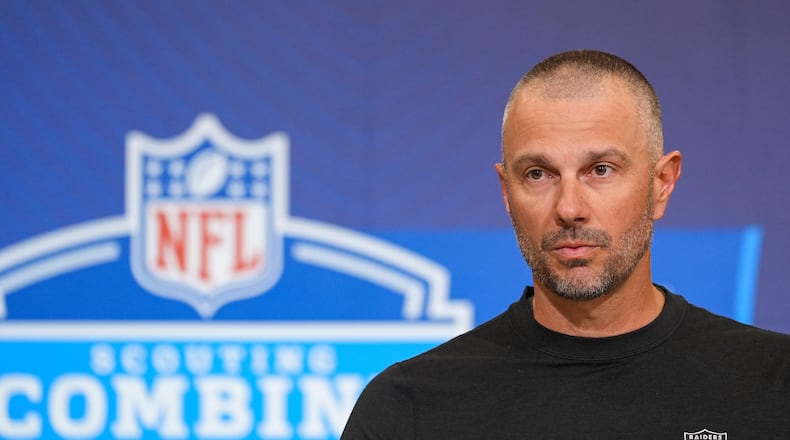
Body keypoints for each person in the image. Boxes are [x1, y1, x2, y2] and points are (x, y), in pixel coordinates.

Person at [340, 50, 790, 439]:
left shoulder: (774, 383)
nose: (569, 208)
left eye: (601, 169)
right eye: (538, 174)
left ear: (663, 183)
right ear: (506, 192)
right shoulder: (411, 406)